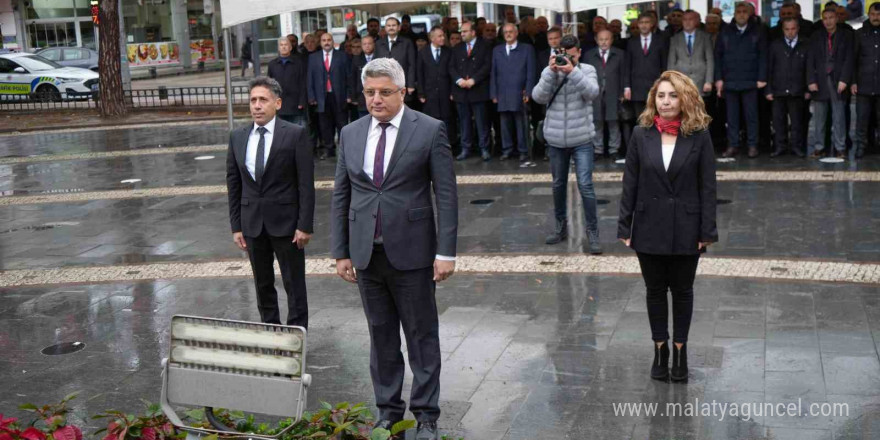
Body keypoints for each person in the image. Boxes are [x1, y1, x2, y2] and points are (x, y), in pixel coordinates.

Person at [331, 58, 458, 440]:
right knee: (381, 336)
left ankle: (426, 416)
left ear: (403, 92)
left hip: (414, 253)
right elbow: (341, 194)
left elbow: (447, 194)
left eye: (385, 92)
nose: (376, 99)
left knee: (422, 336)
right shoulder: (350, 133)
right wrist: (341, 251)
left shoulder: (430, 130)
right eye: (370, 92)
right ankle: (388, 413)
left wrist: (446, 252)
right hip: (366, 254)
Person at [617, 70, 717, 383]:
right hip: (648, 226)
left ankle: (680, 351)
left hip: (687, 228)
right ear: (653, 99)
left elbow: (708, 186)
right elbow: (630, 181)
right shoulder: (640, 133)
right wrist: (625, 226)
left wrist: (707, 231)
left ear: (684, 98)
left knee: (683, 292)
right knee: (655, 291)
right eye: (660, 95)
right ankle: (660, 350)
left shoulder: (699, 134)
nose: (666, 102)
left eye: (672, 95)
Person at [226, 76, 315, 328]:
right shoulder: (237, 137)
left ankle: (297, 335)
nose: (256, 105)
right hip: (252, 224)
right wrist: (236, 226)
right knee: (262, 284)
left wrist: (304, 225)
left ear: (277, 103)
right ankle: (270, 331)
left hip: (287, 225)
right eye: (253, 100)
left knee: (294, 284)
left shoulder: (295, 135)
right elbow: (234, 184)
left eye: (262, 100)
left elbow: (306, 184)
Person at [532, 35, 602, 254]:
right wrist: (551, 73)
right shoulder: (549, 70)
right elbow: (538, 97)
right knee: (558, 184)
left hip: (581, 138)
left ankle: (593, 231)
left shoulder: (587, 69)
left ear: (579, 53)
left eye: (572, 55)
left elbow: (592, 92)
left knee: (586, 185)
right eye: (564, 54)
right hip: (555, 139)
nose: (567, 59)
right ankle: (560, 226)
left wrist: (573, 71)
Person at [714, 1, 767, 158]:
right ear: (734, 14)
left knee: (751, 116)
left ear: (749, 14)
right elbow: (718, 57)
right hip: (730, 80)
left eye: (745, 11)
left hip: (751, 80)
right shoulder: (725, 32)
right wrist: (718, 79)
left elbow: (764, 56)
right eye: (739, 12)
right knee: (732, 117)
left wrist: (762, 77)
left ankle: (752, 145)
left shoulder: (758, 31)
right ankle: (733, 145)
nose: (742, 14)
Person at [807, 5, 854, 159]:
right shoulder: (816, 36)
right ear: (822, 20)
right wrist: (811, 80)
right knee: (819, 117)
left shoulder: (846, 35)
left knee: (839, 116)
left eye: (831, 18)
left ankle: (840, 148)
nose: (828, 21)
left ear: (837, 19)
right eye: (825, 18)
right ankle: (819, 147)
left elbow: (849, 59)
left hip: (838, 80)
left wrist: (845, 80)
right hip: (820, 80)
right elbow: (810, 60)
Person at [491, 23, 537, 162]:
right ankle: (507, 149)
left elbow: (531, 72)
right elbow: (493, 73)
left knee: (521, 124)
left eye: (511, 31)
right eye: (506, 32)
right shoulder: (497, 50)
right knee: (504, 124)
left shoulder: (527, 49)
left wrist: (528, 91)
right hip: (502, 92)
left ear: (516, 33)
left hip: (519, 92)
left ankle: (523, 150)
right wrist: (493, 93)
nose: (508, 34)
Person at [449, 20, 493, 161]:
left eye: (465, 31)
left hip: (478, 89)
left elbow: (487, 66)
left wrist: (474, 80)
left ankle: (484, 149)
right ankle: (466, 148)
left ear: (473, 32)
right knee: (464, 122)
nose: (462, 34)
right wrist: (459, 80)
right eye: (461, 31)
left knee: (482, 121)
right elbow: (451, 67)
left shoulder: (485, 46)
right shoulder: (457, 48)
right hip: (461, 90)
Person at [766, 17, 809, 157]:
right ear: (782, 29)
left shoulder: (805, 44)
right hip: (778, 89)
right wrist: (768, 89)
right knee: (779, 122)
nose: (790, 32)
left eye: (793, 29)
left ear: (798, 28)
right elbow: (769, 69)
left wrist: (808, 88)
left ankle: (796, 147)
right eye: (787, 29)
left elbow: (809, 68)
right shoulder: (775, 45)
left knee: (797, 122)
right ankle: (780, 147)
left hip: (798, 89)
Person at [624, 13, 669, 140]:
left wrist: (664, 84)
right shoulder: (631, 42)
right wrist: (627, 86)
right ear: (638, 25)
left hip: (655, 86)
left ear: (652, 24)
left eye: (646, 22)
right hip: (636, 86)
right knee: (640, 118)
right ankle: (643, 143)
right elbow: (628, 65)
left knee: (657, 116)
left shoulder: (660, 41)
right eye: (641, 22)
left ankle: (657, 142)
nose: (644, 25)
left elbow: (664, 64)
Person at [307, 33, 350, 159]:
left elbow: (348, 77)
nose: (326, 42)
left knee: (342, 123)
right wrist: (311, 96)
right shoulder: (313, 58)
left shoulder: (342, 56)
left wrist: (348, 95)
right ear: (320, 42)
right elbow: (310, 78)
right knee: (325, 125)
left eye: (329, 40)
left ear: (333, 41)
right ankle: (329, 149)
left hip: (339, 95)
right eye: (324, 40)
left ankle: (344, 151)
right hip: (321, 96)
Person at [585, 30, 625, 160]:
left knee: (613, 121)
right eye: (601, 39)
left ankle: (614, 149)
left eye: (606, 39)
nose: (603, 42)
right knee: (597, 121)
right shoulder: (589, 55)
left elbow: (624, 74)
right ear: (596, 40)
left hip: (613, 91)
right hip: (595, 92)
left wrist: (624, 90)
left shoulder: (619, 54)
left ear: (612, 40)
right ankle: (598, 149)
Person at [852, 2, 880, 159]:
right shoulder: (859, 34)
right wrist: (853, 81)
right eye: (873, 14)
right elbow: (853, 60)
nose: (876, 17)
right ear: (869, 15)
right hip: (863, 83)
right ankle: (860, 147)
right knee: (861, 120)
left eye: (879, 14)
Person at [668, 10, 714, 98]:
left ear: (697, 21)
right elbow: (671, 62)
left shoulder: (705, 37)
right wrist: (672, 82)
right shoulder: (674, 39)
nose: (687, 22)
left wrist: (708, 81)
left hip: (701, 81)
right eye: (685, 19)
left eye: (690, 19)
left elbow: (710, 60)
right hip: (681, 81)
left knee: (699, 110)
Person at [267, 37, 308, 128]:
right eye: (281, 45)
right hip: (279, 103)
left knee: (296, 131)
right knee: (280, 130)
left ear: (290, 47)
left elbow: (303, 83)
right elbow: (269, 86)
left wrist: (302, 101)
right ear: (278, 48)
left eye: (286, 45)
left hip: (295, 103)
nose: (284, 47)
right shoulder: (272, 64)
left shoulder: (298, 63)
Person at [376, 17, 418, 100]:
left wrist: (411, 85)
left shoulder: (407, 42)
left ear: (399, 27)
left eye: (393, 25)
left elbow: (412, 65)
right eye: (388, 25)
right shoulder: (379, 43)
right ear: (385, 28)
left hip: (402, 84)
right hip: (384, 84)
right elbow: (376, 65)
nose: (391, 27)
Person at [418, 26, 453, 123]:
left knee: (447, 122)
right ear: (432, 38)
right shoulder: (423, 53)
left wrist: (452, 91)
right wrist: (421, 93)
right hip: (429, 93)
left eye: (443, 36)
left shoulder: (448, 52)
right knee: (431, 121)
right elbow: (420, 74)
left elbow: (452, 73)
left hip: (445, 93)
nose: (443, 38)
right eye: (440, 36)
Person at [349, 35, 376, 120]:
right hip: (362, 97)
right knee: (364, 122)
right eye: (364, 44)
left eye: (369, 43)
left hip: (377, 95)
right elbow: (352, 79)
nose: (367, 46)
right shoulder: (356, 59)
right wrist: (353, 97)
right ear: (361, 46)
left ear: (374, 44)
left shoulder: (380, 57)